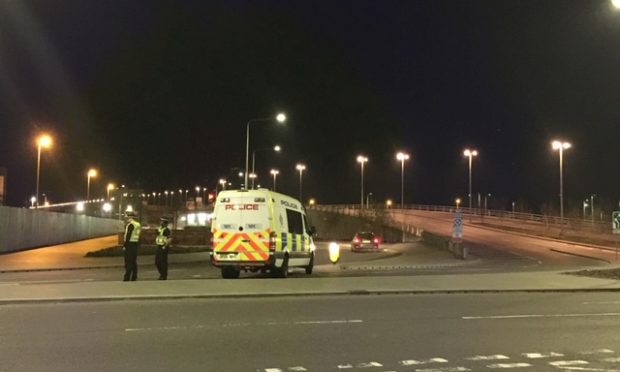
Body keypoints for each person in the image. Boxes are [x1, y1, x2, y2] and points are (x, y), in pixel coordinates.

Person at [122, 211, 141, 281]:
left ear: (130, 217)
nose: (126, 219)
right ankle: (134, 276)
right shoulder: (138, 224)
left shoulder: (131, 225)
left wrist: (125, 245)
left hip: (129, 245)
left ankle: (127, 277)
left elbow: (128, 236)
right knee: (133, 261)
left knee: (128, 261)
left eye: (127, 217)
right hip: (135, 244)